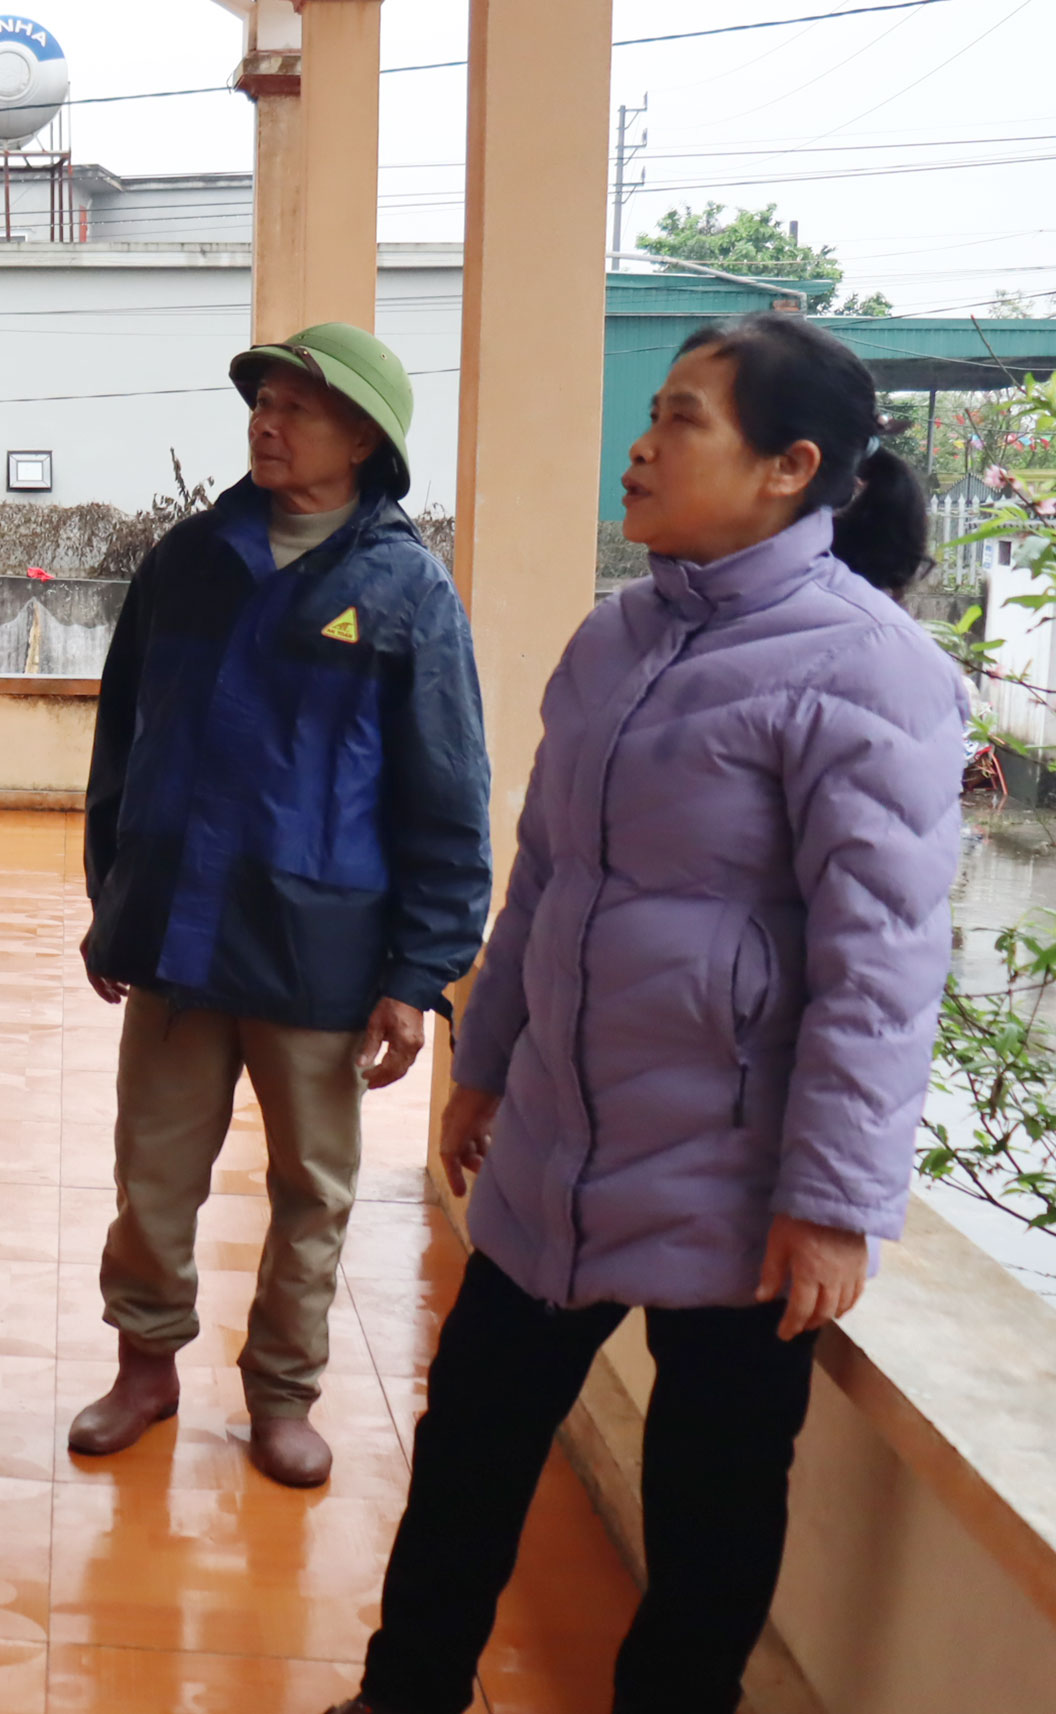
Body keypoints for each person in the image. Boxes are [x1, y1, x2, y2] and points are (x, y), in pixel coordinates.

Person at [329, 314, 963, 1714]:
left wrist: (833, 1202)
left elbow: (882, 966)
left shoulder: (872, 671)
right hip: (556, 1147)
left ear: (790, 467)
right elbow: (547, 875)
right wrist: (487, 1063)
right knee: (471, 1445)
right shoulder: (617, 635)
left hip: (740, 1184)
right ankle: (402, 1693)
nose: (642, 444)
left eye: (684, 418)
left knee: (709, 1513)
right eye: (654, 412)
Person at [72, 323, 492, 1490]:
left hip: (318, 946)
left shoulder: (405, 590)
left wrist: (418, 973)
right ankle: (144, 1365)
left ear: (362, 440)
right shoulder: (189, 560)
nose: (268, 421)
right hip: (176, 932)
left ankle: (283, 1393)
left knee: (312, 1186)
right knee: (153, 1170)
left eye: (299, 407)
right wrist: (114, 896)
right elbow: (124, 737)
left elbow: (448, 791)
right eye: (263, 402)